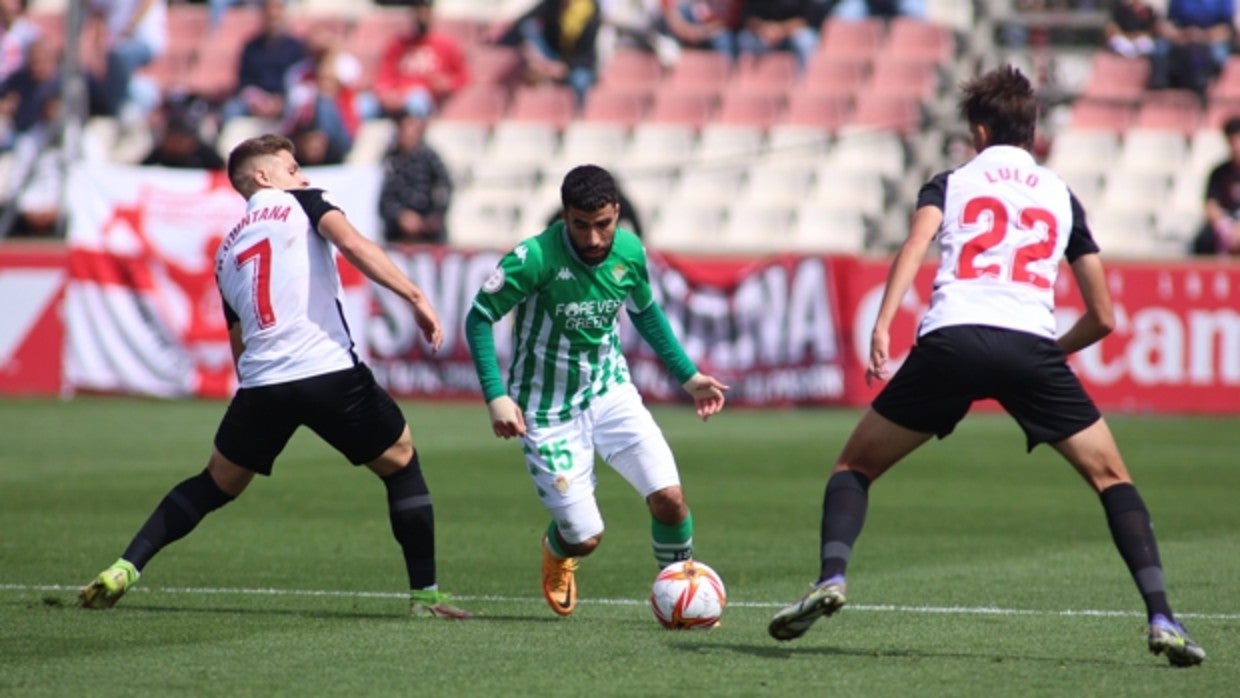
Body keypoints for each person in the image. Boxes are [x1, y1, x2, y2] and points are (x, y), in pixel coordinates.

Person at [765, 66, 1205, 668]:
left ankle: (831, 577)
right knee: (1113, 480)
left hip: (953, 338)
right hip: (1029, 343)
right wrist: (1050, 354)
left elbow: (917, 244)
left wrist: (882, 323)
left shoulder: (952, 181)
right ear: (1032, 132)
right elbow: (1104, 316)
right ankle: (1162, 616)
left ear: (978, 129)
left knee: (854, 466)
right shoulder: (1059, 194)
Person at [79, 133, 471, 620]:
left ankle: (125, 567)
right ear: (264, 177)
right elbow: (352, 243)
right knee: (401, 460)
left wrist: (264, 394)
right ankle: (426, 598)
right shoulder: (305, 202)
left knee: (216, 482)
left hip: (263, 384)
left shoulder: (227, 251)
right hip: (326, 371)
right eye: (292, 167)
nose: (302, 176)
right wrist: (414, 297)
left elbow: (239, 342)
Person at [464, 164, 728, 617]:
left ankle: (680, 597)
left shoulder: (629, 251)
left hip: (610, 394)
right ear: (565, 216)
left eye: (603, 225)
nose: (592, 239)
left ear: (617, 214)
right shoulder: (533, 259)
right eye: (580, 226)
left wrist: (688, 377)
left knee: (669, 498)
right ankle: (557, 549)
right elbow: (479, 317)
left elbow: (645, 312)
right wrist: (496, 396)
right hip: (546, 413)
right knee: (585, 537)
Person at [365, 0, 470, 120]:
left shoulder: (446, 44)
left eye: (425, 11)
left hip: (423, 101)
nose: (421, 16)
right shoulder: (398, 44)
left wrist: (448, 83)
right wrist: (386, 94)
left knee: (417, 100)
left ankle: (408, 134)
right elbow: (383, 76)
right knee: (363, 105)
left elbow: (464, 77)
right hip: (396, 96)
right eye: (418, 11)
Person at [219, 0, 307, 124]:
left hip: (285, 101)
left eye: (278, 8)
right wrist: (255, 100)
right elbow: (244, 81)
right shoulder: (251, 47)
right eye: (268, 9)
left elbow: (300, 81)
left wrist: (280, 102)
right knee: (231, 109)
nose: (273, 14)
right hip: (255, 101)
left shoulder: (298, 48)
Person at [378, 107, 453, 244]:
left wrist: (434, 216)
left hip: (428, 234)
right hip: (397, 234)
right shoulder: (391, 160)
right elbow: (384, 199)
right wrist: (401, 216)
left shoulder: (430, 158)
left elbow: (445, 187)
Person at [513, 0, 603, 109]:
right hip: (551, 56)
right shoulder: (552, 3)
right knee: (528, 28)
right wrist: (532, 52)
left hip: (577, 64)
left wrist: (564, 68)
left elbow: (587, 55)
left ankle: (578, 114)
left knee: (580, 80)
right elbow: (523, 21)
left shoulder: (591, 9)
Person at [86, 0, 167, 119]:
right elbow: (98, 16)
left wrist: (130, 26)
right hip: (115, 48)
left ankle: (116, 112)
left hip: (143, 41)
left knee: (119, 57)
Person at [1151, 0, 1234, 94]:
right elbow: (1168, 22)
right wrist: (1180, 35)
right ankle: (1160, 88)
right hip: (1183, 36)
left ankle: (1211, 89)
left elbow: (1227, 28)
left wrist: (1203, 36)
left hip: (1212, 37)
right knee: (1160, 48)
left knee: (1218, 55)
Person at [1193, 115, 1240, 255]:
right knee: (1203, 240)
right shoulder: (1219, 173)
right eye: (1232, 141)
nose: (1236, 146)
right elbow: (1210, 203)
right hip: (1227, 224)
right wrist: (1224, 226)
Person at [735, 0, 818, 73]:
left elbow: (806, 20)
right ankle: (746, 81)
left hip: (789, 36)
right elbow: (748, 18)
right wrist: (765, 28)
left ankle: (803, 82)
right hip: (763, 36)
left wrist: (781, 30)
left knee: (806, 39)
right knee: (745, 39)